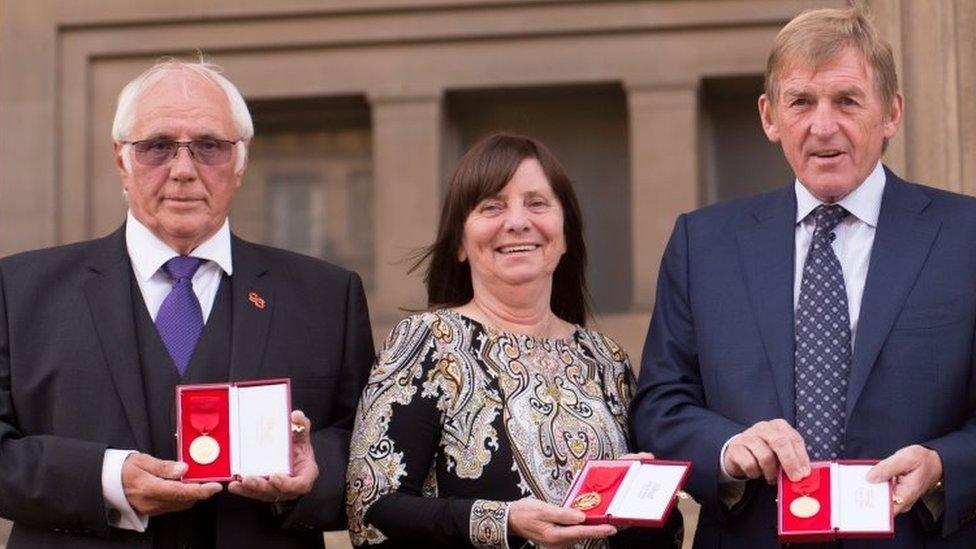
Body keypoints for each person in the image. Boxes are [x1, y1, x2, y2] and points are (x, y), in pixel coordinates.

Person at [630, 7, 976, 548]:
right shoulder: (704, 245)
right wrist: (728, 449)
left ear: (891, 113)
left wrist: (942, 464)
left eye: (847, 100)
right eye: (801, 102)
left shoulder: (966, 236)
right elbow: (660, 405)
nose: (822, 126)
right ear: (770, 116)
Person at [0, 58, 374, 547]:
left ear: (240, 162)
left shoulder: (326, 297)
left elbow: (372, 450)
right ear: (121, 161)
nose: (183, 170)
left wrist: (313, 470)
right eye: (157, 146)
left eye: (209, 147)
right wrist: (109, 480)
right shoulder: (20, 291)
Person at [345, 133, 680, 548]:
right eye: (491, 207)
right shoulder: (427, 342)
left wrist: (640, 497)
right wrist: (503, 521)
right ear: (460, 243)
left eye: (537, 203)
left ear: (565, 234)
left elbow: (664, 533)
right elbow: (371, 509)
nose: (518, 221)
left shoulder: (606, 359)